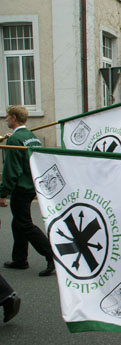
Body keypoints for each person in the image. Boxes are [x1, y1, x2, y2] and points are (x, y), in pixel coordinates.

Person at [0, 106, 55, 276]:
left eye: (7, 116)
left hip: (21, 187)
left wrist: (3, 193)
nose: (5, 119)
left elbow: (11, 170)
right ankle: (20, 259)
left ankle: (51, 255)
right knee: (18, 222)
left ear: (14, 118)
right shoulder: (31, 137)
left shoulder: (16, 140)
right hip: (31, 184)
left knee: (24, 223)